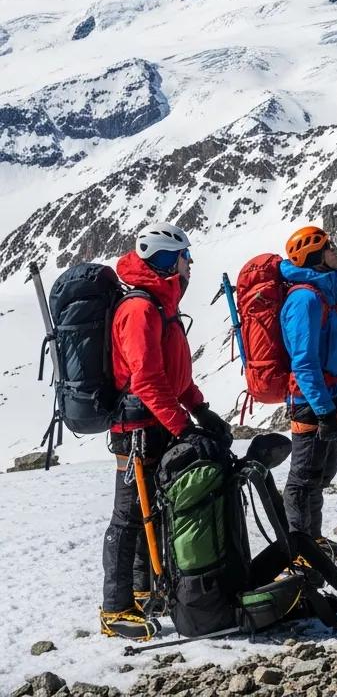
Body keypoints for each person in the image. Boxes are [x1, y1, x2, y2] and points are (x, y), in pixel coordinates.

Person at [101, 222, 232, 640]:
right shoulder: (140, 310)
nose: (189, 263)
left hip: (157, 422)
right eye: (183, 256)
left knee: (151, 512)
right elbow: (148, 380)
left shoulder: (162, 306)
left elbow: (176, 376)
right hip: (138, 427)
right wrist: (182, 425)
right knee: (128, 517)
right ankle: (114, 608)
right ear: (163, 258)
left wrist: (200, 410)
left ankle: (143, 591)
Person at [279, 225, 337, 562]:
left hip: (330, 398)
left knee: (319, 475)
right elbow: (304, 362)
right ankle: (299, 548)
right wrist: (324, 409)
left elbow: (334, 352)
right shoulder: (305, 299)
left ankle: (311, 538)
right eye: (331, 248)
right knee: (303, 478)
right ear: (316, 256)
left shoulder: (325, 294)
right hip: (311, 403)